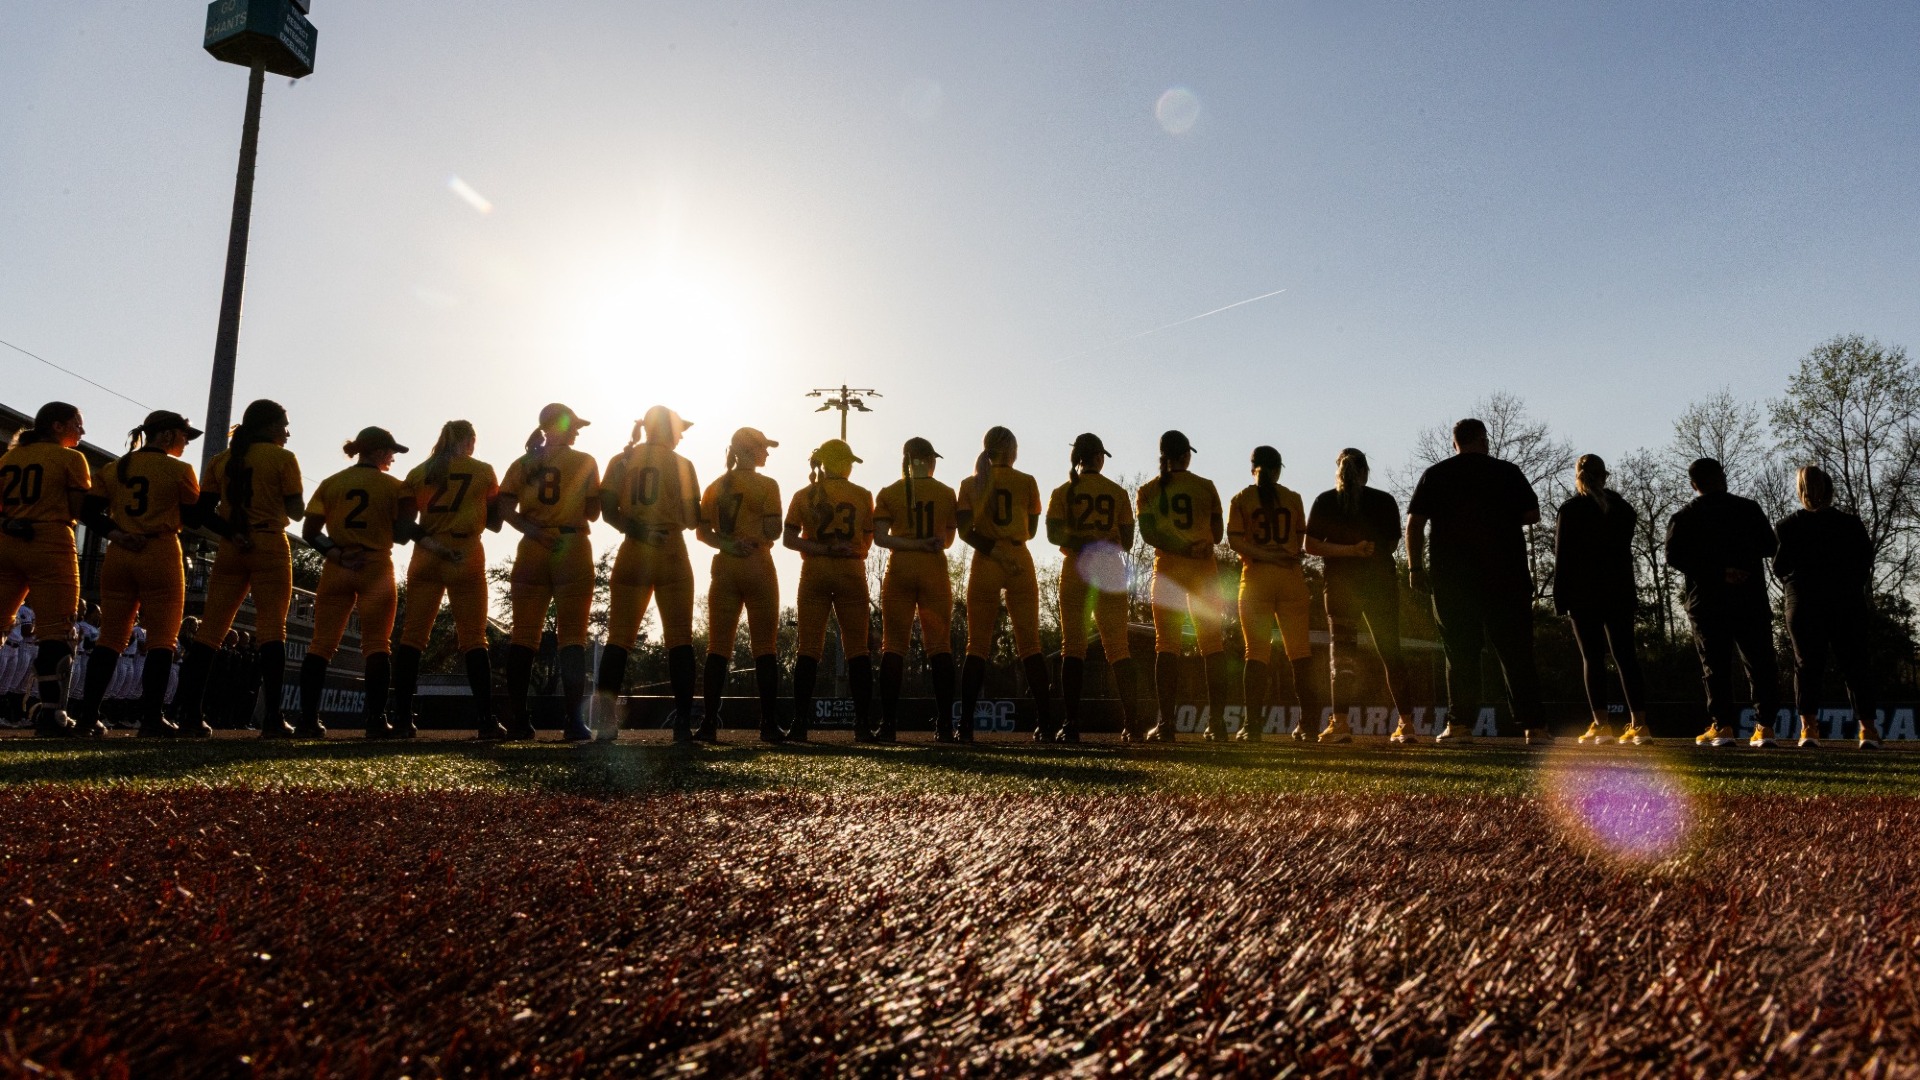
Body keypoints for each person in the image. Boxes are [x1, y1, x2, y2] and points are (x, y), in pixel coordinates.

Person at [1406, 418, 1547, 743]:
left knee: (1460, 652)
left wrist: (1415, 568)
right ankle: (1534, 727)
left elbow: (1414, 523)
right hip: (1505, 574)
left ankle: (1460, 725)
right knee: (1516, 652)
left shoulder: (1437, 474)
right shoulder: (1507, 472)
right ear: (1484, 440)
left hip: (1453, 578)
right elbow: (1531, 514)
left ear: (1454, 442)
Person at [177, 399, 303, 737]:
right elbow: (297, 510)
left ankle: (189, 713)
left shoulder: (221, 460)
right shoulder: (283, 458)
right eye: (283, 424)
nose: (287, 431)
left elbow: (203, 512)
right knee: (273, 631)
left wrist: (233, 532)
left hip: (232, 546)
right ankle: (273, 718)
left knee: (209, 633)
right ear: (267, 426)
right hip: (269, 543)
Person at [73, 410, 203, 738]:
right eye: (184, 435)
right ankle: (151, 718)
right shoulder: (179, 469)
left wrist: (115, 533)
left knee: (110, 637)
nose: (186, 442)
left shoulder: (115, 468)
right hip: (159, 550)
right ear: (166, 435)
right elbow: (195, 519)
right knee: (162, 639)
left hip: (119, 552)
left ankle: (88, 716)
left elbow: (88, 511)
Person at [595, 406, 703, 742]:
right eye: (679, 429)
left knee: (618, 640)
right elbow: (692, 518)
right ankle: (682, 723)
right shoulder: (682, 464)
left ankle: (606, 724)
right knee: (680, 639)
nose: (682, 434)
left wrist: (641, 529)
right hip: (670, 550)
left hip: (633, 549)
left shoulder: (622, 459)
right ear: (667, 430)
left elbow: (607, 511)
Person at [299, 427, 411, 739]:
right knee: (377, 644)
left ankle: (308, 720)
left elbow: (310, 532)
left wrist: (335, 553)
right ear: (377, 452)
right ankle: (375, 720)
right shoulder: (394, 486)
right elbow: (402, 536)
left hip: (338, 564)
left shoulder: (332, 483)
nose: (392, 458)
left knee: (321, 643)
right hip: (375, 564)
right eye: (390, 452)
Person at [393, 421, 502, 739]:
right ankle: (485, 719)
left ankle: (401, 717)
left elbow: (403, 527)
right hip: (465, 552)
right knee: (474, 639)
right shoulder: (482, 471)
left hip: (427, 554)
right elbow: (495, 523)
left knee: (412, 638)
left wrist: (433, 545)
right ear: (469, 441)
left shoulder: (418, 472)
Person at [500, 403, 600, 741]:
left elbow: (503, 508)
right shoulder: (584, 460)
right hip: (570, 547)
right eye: (574, 426)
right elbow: (593, 512)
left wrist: (532, 529)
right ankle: (573, 722)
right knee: (572, 638)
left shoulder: (524, 462)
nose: (577, 431)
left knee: (523, 637)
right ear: (562, 425)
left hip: (532, 547)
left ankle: (517, 720)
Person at [1664, 457, 1780, 749]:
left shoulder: (1684, 517)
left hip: (1707, 600)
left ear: (1694, 485)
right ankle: (1765, 727)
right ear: (1722, 477)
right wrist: (1739, 564)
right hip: (1749, 596)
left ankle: (1723, 726)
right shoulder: (1748, 509)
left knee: (1714, 665)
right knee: (1759, 662)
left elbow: (1674, 557)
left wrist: (1717, 571)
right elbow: (1769, 545)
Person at [1305, 448, 1416, 744]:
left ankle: (1340, 724)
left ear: (1338, 470)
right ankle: (1407, 725)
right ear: (1366, 472)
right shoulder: (1384, 501)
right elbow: (1391, 544)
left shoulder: (1326, 500)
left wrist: (1345, 551)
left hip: (1341, 586)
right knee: (1391, 653)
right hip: (1379, 585)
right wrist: (1361, 550)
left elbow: (1311, 545)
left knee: (1342, 655)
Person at [955, 427, 1055, 742]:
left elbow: (964, 531)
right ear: (1011, 450)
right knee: (1031, 645)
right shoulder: (1026, 482)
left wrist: (993, 548)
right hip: (1017, 559)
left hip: (986, 560)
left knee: (977, 645)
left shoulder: (970, 484)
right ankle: (1047, 724)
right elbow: (1034, 529)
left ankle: (966, 726)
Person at [0, 402, 93, 736]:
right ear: (58, 426)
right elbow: (80, 509)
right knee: (58, 632)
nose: (82, 432)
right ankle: (52, 713)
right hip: (50, 540)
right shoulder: (71, 458)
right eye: (78, 425)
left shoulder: (9, 458)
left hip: (7, 539)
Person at [1772, 464, 1880, 749]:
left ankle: (1809, 729)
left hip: (1804, 601)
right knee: (1855, 664)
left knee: (1806, 666)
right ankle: (1867, 730)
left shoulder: (1788, 527)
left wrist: (1797, 584)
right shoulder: (1851, 525)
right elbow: (1864, 562)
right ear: (1831, 490)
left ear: (1800, 491)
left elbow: (1779, 567)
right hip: (1845, 600)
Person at [1553, 454, 1652, 746]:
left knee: (1592, 658)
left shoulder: (1571, 510)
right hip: (1619, 590)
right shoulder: (1623, 509)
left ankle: (1601, 724)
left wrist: (1561, 598)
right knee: (1626, 657)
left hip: (1583, 593)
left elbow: (1563, 558)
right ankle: (1640, 725)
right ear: (1605, 476)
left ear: (1578, 476)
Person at [1044, 434, 1137, 741]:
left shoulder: (1062, 491)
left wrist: (1082, 541)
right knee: (1119, 648)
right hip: (1109, 566)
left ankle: (1071, 724)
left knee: (1073, 647)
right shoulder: (1117, 492)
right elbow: (1128, 541)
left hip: (1077, 567)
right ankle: (1133, 724)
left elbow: (1054, 535)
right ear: (1098, 457)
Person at [1228, 447, 1323, 742]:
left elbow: (1235, 542)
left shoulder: (1241, 499)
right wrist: (1280, 556)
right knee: (1300, 653)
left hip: (1256, 579)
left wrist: (1264, 555)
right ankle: (1308, 725)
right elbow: (1298, 542)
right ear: (1278, 469)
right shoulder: (1292, 498)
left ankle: (1253, 725)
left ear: (1252, 468)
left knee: (1256, 653)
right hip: (1290, 579)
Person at [783, 439, 875, 742]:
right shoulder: (862, 495)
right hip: (850, 571)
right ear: (841, 463)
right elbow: (866, 539)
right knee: (858, 650)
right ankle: (862, 726)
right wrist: (846, 549)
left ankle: (799, 725)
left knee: (808, 649)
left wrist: (821, 548)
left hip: (815, 571)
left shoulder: (804, 494)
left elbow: (789, 539)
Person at [1136, 430, 1226, 742]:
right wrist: (1194, 547)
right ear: (1187, 455)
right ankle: (1217, 724)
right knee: (1212, 644)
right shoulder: (1206, 487)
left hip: (1169, 569)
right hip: (1203, 570)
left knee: (1166, 645)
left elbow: (1149, 535)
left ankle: (1166, 725)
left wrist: (1179, 547)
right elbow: (1216, 534)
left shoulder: (1147, 490)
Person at [698, 427, 786, 743]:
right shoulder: (767, 484)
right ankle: (768, 724)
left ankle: (708, 724)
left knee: (717, 647)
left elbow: (703, 533)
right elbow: (774, 530)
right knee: (765, 647)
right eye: (763, 447)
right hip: (758, 564)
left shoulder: (715, 486)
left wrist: (731, 544)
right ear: (749, 451)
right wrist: (753, 537)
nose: (767, 452)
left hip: (725, 566)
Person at [872, 436, 958, 742]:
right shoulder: (946, 493)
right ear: (929, 461)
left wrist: (910, 542)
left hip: (901, 567)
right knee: (940, 647)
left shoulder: (889, 492)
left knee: (893, 646)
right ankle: (946, 725)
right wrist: (927, 543)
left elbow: (880, 538)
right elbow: (947, 540)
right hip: (933, 567)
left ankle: (888, 725)